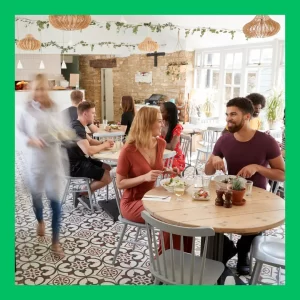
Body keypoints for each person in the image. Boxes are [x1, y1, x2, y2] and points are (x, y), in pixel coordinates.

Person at [205, 97, 285, 275]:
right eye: (227, 114)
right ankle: (223, 250)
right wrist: (214, 158)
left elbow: (283, 174)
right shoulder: (224, 140)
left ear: (247, 116)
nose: (228, 118)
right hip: (228, 194)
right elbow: (208, 172)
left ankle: (243, 252)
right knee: (206, 224)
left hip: (256, 198)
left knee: (254, 227)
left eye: (233, 114)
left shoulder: (266, 141)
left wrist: (257, 167)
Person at [116, 106, 188, 252]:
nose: (162, 124)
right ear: (147, 123)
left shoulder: (160, 144)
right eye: (159, 121)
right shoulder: (128, 150)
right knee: (169, 214)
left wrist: (166, 170)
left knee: (182, 211)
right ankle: (164, 261)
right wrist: (144, 177)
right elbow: (120, 183)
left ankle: (183, 258)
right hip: (132, 202)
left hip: (152, 197)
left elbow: (153, 168)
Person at [17, 74, 70, 256]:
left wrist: (63, 135)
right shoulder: (27, 109)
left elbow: (62, 129)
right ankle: (40, 220)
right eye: (37, 89)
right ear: (33, 90)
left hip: (54, 160)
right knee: (37, 198)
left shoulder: (55, 108)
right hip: (36, 161)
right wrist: (30, 140)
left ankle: (55, 242)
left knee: (56, 203)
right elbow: (20, 132)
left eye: (42, 88)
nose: (39, 92)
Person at [66, 101, 114, 210]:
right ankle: (83, 194)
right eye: (93, 113)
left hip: (79, 160)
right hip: (74, 166)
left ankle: (86, 191)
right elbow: (88, 151)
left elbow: (90, 141)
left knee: (108, 168)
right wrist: (104, 145)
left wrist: (104, 144)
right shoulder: (77, 129)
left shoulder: (78, 124)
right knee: (109, 176)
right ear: (85, 114)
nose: (95, 115)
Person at [160, 102, 185, 172]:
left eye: (162, 112)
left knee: (156, 166)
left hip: (174, 158)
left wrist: (157, 142)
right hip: (164, 155)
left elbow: (172, 147)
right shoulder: (162, 124)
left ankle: (163, 182)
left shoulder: (177, 127)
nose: (159, 114)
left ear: (169, 114)